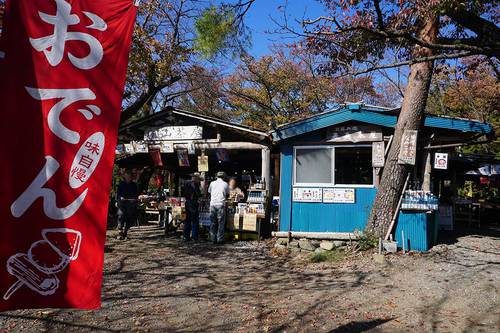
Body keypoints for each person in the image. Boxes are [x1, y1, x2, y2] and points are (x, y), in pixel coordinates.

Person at [208, 171, 229, 244]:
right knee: (221, 222)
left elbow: (209, 192)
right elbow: (227, 194)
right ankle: (220, 239)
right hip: (220, 204)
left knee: (213, 222)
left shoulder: (212, 183)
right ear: (223, 177)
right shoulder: (225, 184)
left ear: (217, 176)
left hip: (213, 204)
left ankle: (213, 239)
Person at [116, 170, 138, 240]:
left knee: (129, 217)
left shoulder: (134, 185)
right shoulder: (121, 184)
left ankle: (125, 232)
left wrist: (135, 198)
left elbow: (136, 194)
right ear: (125, 177)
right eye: (126, 176)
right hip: (122, 203)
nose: (128, 177)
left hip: (130, 203)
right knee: (121, 215)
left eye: (129, 176)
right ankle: (120, 231)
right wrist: (120, 198)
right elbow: (118, 194)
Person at [183, 173, 201, 241]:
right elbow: (198, 194)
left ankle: (186, 236)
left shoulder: (186, 183)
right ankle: (194, 237)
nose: (199, 181)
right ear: (196, 178)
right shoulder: (194, 185)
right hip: (192, 203)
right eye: (198, 179)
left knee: (187, 220)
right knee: (194, 221)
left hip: (187, 203)